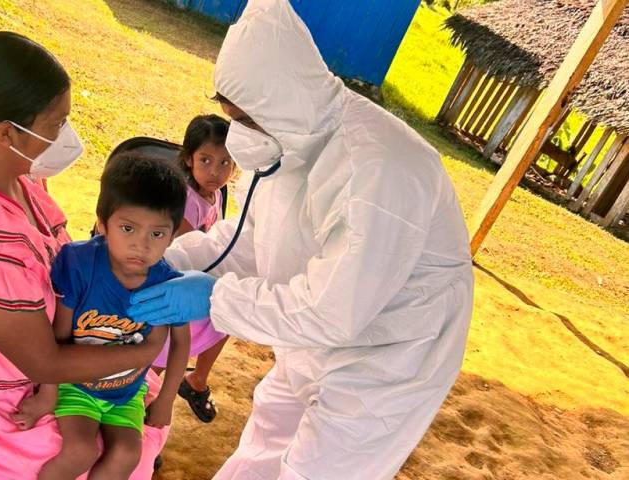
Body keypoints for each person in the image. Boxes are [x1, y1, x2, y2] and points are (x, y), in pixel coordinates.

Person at [126, 0, 475, 479]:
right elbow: (250, 238)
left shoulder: (378, 169)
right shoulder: (289, 140)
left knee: (319, 469)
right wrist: (166, 260)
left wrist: (215, 298)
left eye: (247, 119)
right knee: (267, 437)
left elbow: (331, 312)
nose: (239, 135)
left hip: (388, 353)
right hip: (311, 330)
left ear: (282, 101)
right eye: (230, 116)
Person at [0, 31, 171, 479]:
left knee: (130, 419)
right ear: (5, 133)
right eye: (57, 123)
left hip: (40, 362)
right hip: (2, 399)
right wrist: (143, 352)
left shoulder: (20, 180)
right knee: (110, 452)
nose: (66, 135)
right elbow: (43, 363)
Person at [8, 153, 191, 479]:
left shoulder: (169, 284)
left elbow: (181, 341)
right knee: (81, 450)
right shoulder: (79, 263)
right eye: (127, 228)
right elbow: (58, 336)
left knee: (127, 454)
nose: (141, 245)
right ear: (102, 223)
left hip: (127, 392)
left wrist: (166, 400)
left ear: (174, 234)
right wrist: (47, 395)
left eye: (157, 234)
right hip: (75, 385)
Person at [152, 114, 234, 423]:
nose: (215, 171)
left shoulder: (215, 194)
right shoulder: (187, 199)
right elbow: (187, 248)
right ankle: (146, 403)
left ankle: (196, 380)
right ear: (188, 159)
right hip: (174, 285)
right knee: (161, 356)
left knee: (229, 318)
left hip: (195, 282)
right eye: (206, 160)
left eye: (225, 163)